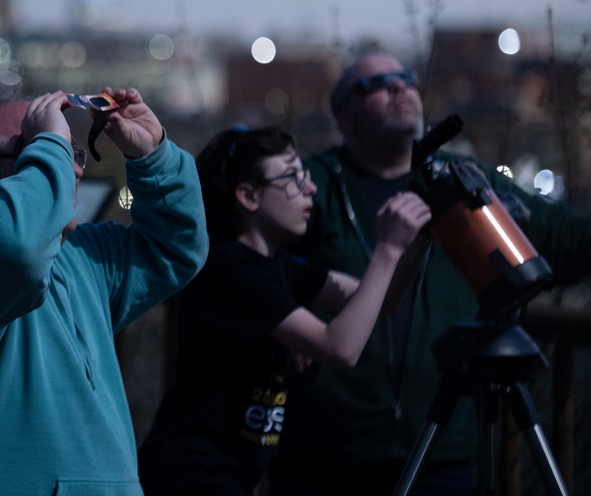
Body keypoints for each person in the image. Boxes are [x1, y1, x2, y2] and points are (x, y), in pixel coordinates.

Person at [270, 54, 591, 496]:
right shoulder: (316, 187)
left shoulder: (466, 186)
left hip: (439, 446)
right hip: (327, 451)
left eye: (407, 80)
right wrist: (281, 328)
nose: (401, 88)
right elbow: (251, 258)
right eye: (379, 84)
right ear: (345, 117)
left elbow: (569, 241)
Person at [0, 88, 209, 496]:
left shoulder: (82, 253)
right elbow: (15, 250)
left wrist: (153, 156)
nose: (73, 172)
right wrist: (51, 142)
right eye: (42, 150)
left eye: (72, 154)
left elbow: (175, 246)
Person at [137, 126, 431, 495]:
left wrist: (423, 235)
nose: (310, 188)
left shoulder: (277, 265)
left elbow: (382, 300)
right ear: (248, 195)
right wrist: (387, 248)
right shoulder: (230, 268)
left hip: (228, 470)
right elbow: (340, 347)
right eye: (292, 178)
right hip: (192, 472)